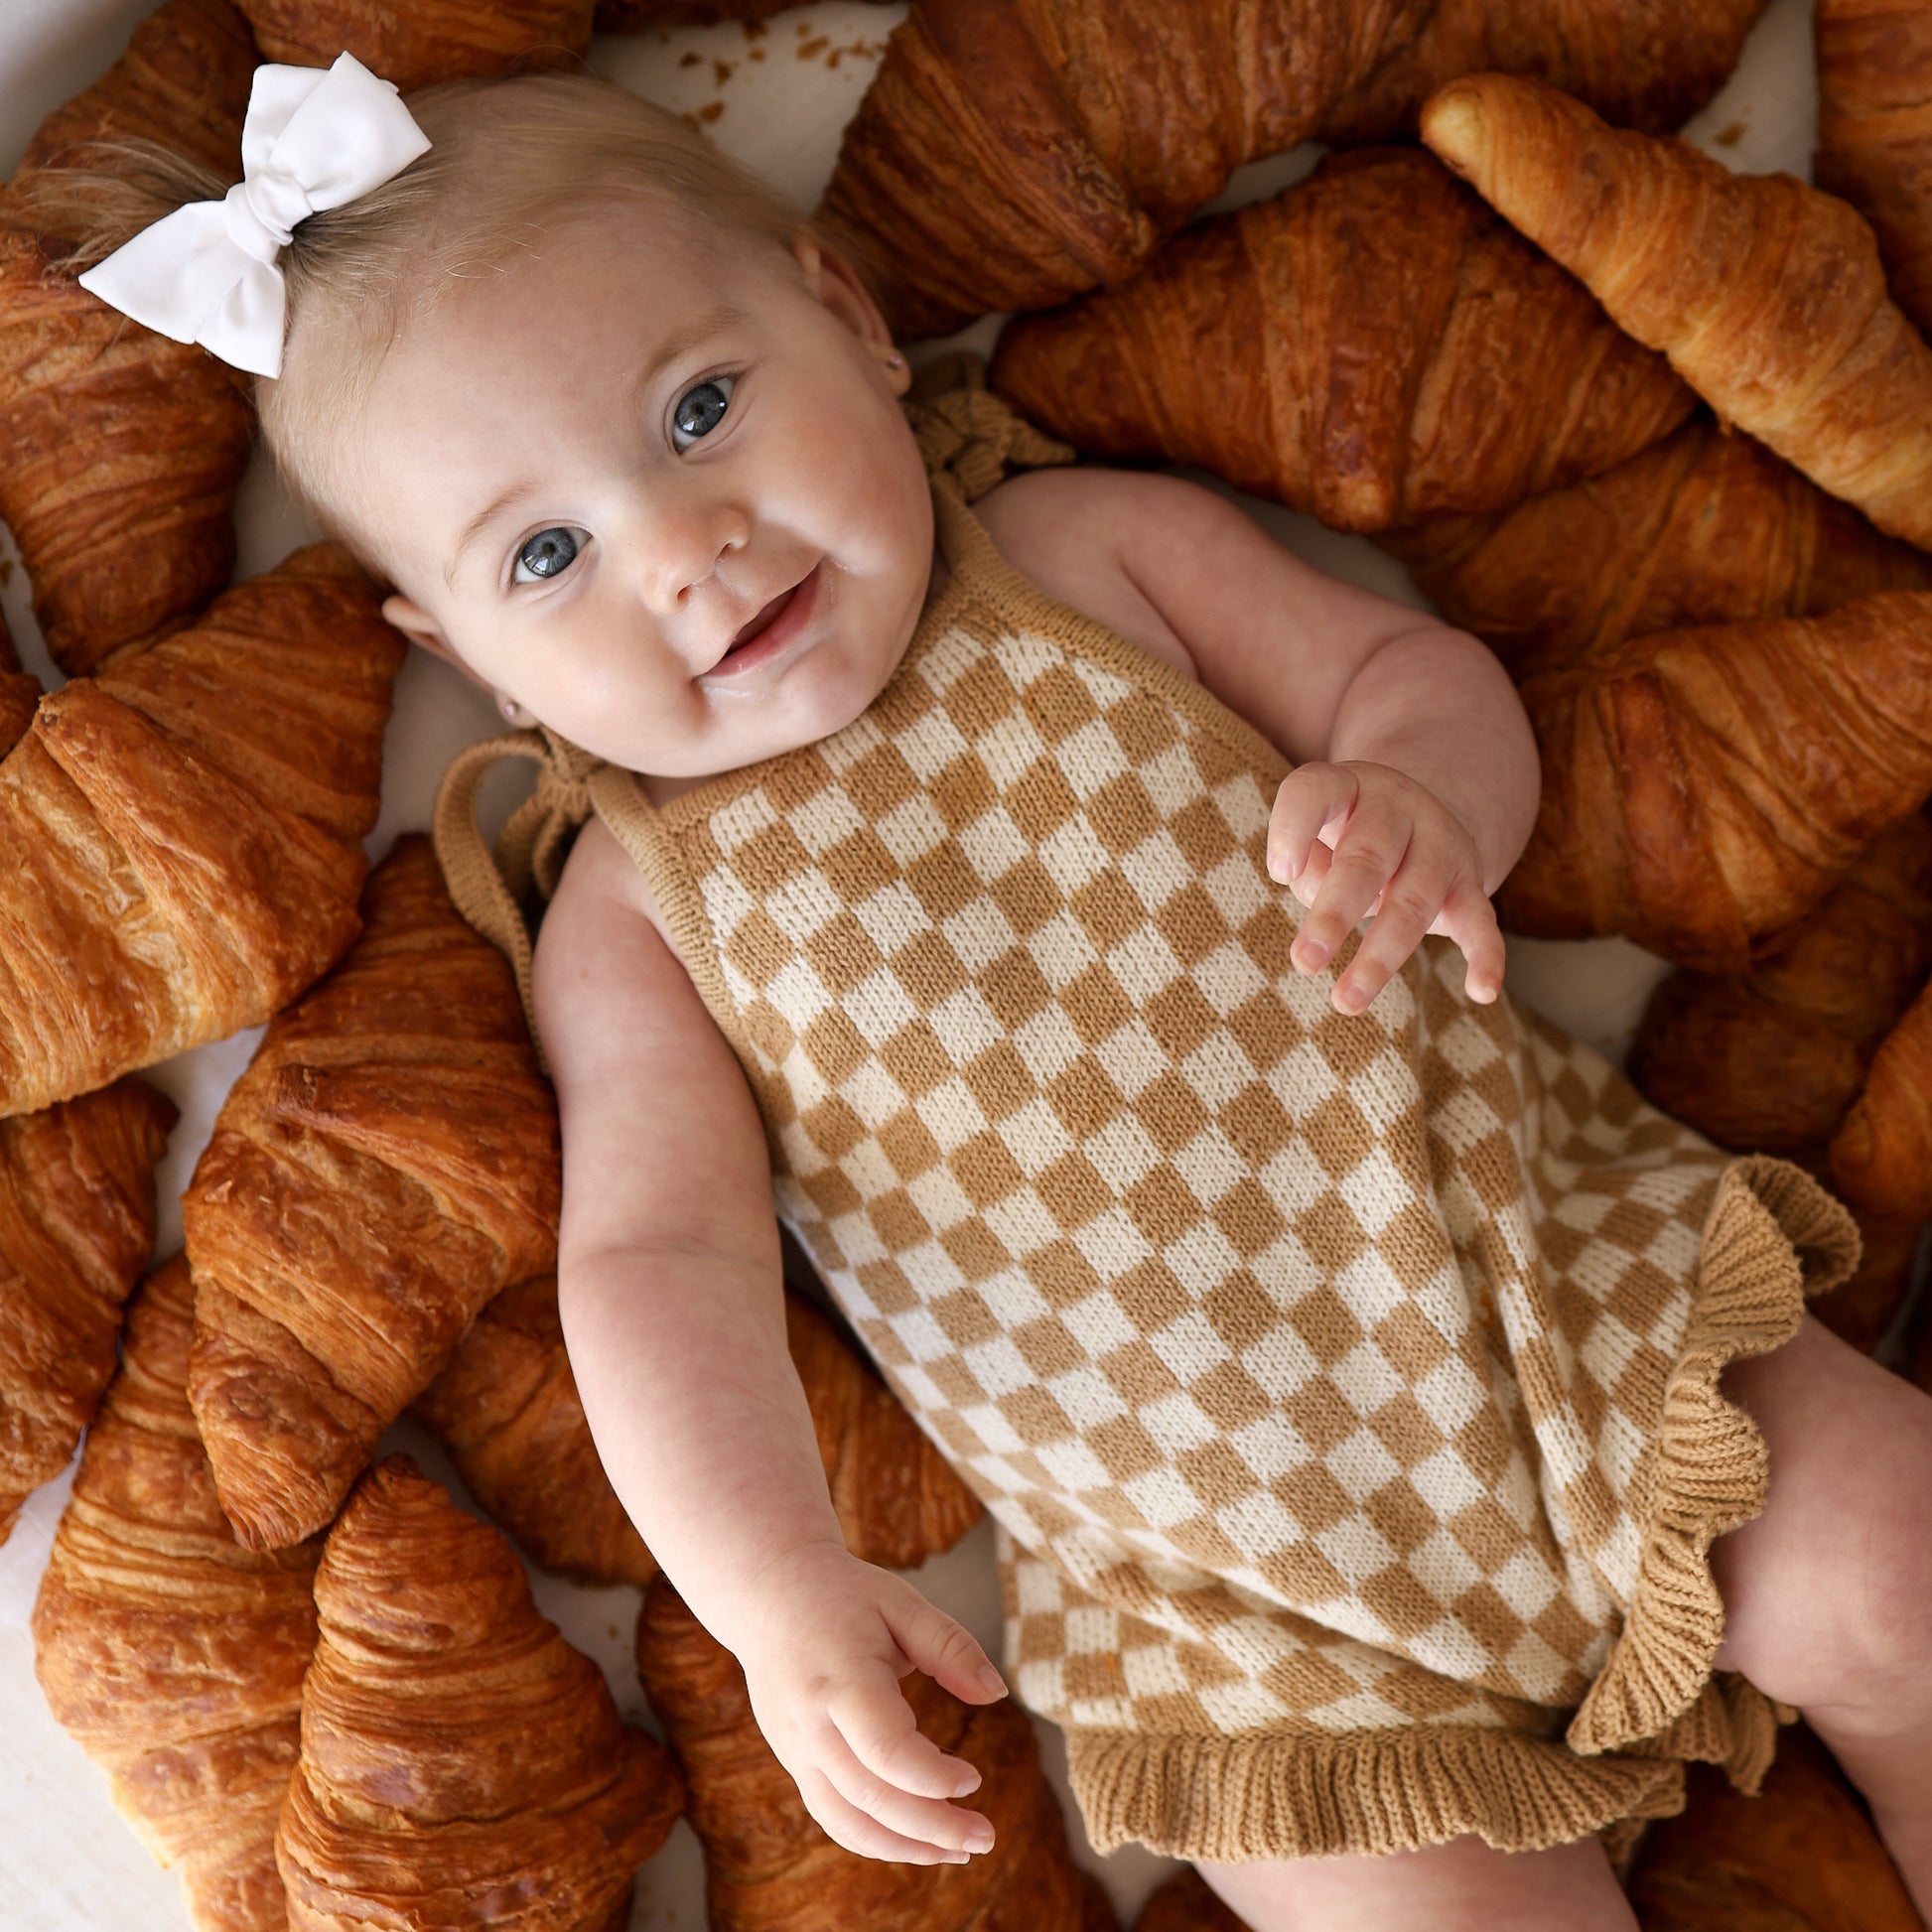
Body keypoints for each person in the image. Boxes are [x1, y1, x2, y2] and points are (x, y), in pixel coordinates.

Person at [58, 55, 1932, 1932]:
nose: (684, 551)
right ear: (469, 660)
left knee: (1898, 1561)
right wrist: (773, 1583)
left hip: (1552, 1292)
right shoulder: (635, 913)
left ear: (850, 318)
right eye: (545, 555)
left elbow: (1407, 678)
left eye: (701, 408)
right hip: (1230, 1608)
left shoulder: (1082, 559)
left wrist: (1424, 795)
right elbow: (655, 1265)